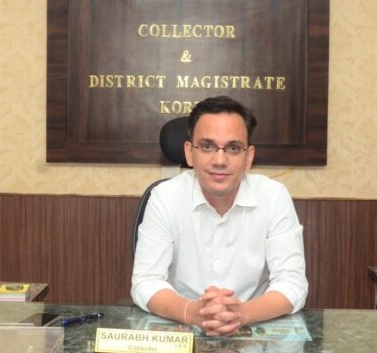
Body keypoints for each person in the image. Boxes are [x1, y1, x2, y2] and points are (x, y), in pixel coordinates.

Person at [131, 96, 308, 336]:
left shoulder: (274, 196)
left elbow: (292, 283)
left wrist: (241, 314)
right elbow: (146, 282)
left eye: (233, 148)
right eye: (207, 146)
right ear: (189, 153)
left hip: (254, 335)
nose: (220, 160)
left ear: (249, 156)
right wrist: (192, 312)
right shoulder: (165, 197)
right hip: (181, 333)